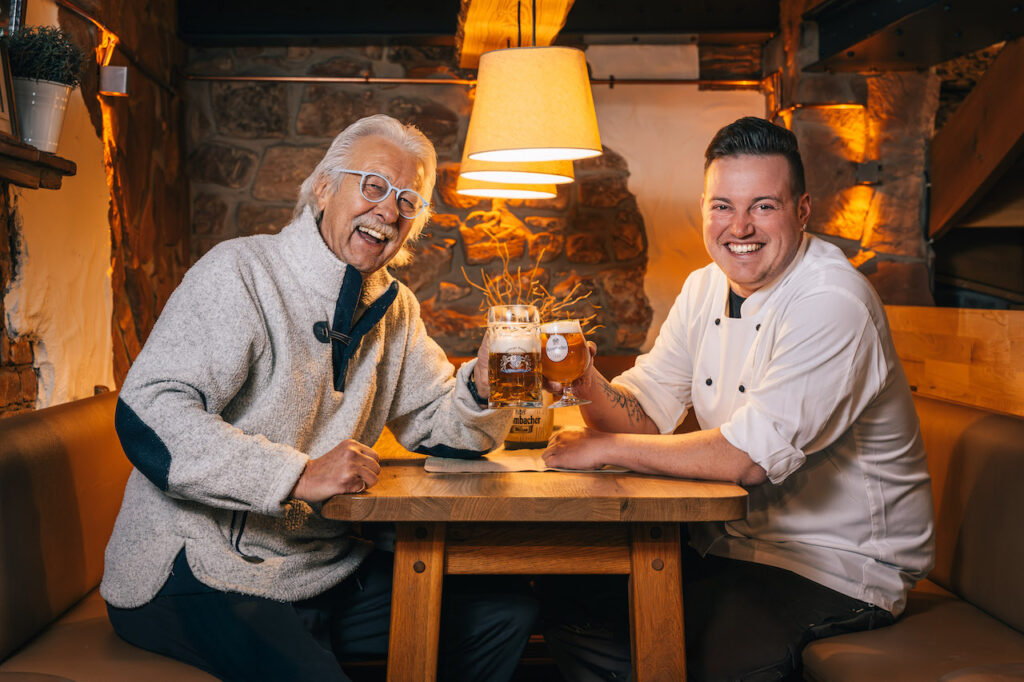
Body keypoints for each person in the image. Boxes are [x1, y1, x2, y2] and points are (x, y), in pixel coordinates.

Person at [101, 114, 536, 681]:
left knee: (503, 614)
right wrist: (297, 474)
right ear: (326, 186)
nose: (388, 210)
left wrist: (479, 386)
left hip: (317, 566)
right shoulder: (241, 271)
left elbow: (440, 430)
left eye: (409, 201)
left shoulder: (395, 308)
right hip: (199, 565)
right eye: (374, 186)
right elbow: (149, 414)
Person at [537, 116, 935, 681]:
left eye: (763, 206)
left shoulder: (832, 301)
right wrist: (584, 381)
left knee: (714, 655)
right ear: (704, 209)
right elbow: (646, 412)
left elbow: (746, 460)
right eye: (722, 205)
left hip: (837, 567)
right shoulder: (705, 286)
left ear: (802, 211)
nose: (739, 226)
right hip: (730, 547)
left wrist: (606, 449)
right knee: (576, 607)